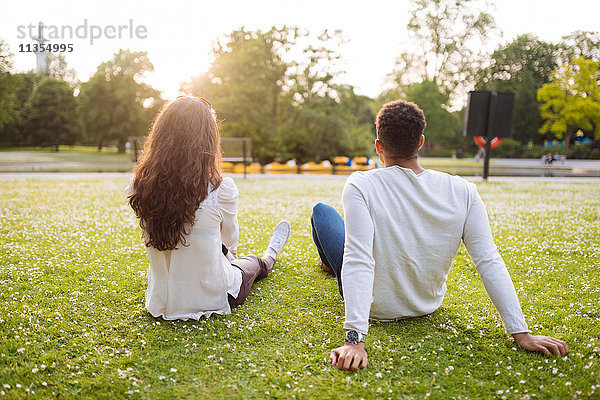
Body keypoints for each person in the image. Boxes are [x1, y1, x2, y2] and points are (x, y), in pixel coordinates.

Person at [311, 100, 568, 372]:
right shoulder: (463, 190)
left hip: (376, 307)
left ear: (379, 146)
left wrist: (355, 340)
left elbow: (359, 258)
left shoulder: (361, 184)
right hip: (426, 304)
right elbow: (488, 260)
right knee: (340, 230)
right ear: (420, 142)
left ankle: (329, 264)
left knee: (322, 212)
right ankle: (330, 265)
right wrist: (521, 333)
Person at [127, 96, 291, 320]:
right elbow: (230, 240)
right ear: (207, 140)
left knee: (224, 254)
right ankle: (271, 253)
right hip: (214, 295)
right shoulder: (220, 188)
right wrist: (227, 254)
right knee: (253, 263)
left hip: (160, 301)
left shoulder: (138, 185)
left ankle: (261, 256)